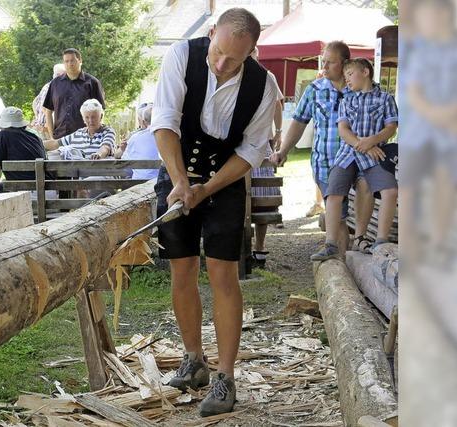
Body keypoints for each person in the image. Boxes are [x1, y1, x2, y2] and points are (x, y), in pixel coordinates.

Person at [151, 8, 278, 417]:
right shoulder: (181, 57)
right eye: (219, 52)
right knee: (182, 268)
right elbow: (165, 123)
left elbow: (250, 151)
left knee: (223, 274)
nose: (222, 65)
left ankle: (225, 376)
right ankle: (194, 360)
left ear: (252, 53)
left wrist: (207, 187)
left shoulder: (264, 85)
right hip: (175, 172)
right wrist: (180, 183)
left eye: (235, 60)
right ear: (211, 35)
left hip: (223, 182)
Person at [401, 0, 457, 264]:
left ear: (442, 15)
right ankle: (408, 251)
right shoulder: (419, 52)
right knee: (407, 184)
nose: (422, 22)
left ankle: (454, 248)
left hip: (455, 129)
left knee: (455, 180)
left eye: (426, 16)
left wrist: (450, 117)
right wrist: (441, 117)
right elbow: (414, 95)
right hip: (420, 130)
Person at [271, 41, 376, 255]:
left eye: (330, 62)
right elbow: (299, 122)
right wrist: (283, 151)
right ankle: (342, 269)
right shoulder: (314, 90)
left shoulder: (363, 88)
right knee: (338, 219)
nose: (324, 67)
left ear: (345, 63)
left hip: (361, 159)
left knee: (363, 196)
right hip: (326, 162)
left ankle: (358, 246)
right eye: (323, 61)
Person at [311, 58, 399, 261]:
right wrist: (364, 145)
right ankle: (331, 244)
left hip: (376, 153)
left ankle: (380, 241)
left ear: (366, 72)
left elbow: (391, 127)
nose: (347, 80)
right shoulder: (346, 100)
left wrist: (373, 141)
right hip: (348, 153)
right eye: (345, 76)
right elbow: (343, 130)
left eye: (350, 74)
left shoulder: (385, 99)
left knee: (390, 190)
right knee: (333, 192)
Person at [248, 47, 285, 267]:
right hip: (243, 143)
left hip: (262, 142)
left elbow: (277, 104)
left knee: (263, 197)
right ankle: (246, 247)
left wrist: (278, 132)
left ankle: (259, 247)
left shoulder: (266, 77)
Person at [0, 107, 48, 198]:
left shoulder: (3, 135)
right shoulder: (35, 138)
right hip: (47, 192)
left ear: (3, 125)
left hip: (25, 194)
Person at [43, 48, 106, 139]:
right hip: (60, 138)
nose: (69, 64)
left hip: (84, 139)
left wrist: (95, 135)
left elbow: (101, 112)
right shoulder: (55, 83)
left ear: (80, 60)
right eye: (66, 61)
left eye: (72, 60)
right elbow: (48, 111)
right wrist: (52, 136)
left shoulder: (92, 83)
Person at [44, 99, 116, 159]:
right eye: (87, 117)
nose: (90, 121)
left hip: (103, 173)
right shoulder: (79, 133)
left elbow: (106, 148)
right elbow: (55, 144)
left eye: (94, 117)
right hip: (81, 174)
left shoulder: (108, 131)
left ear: (101, 116)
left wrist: (98, 154)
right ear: (83, 118)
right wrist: (36, 142)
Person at [114, 103, 160, 180]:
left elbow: (124, 161)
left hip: (139, 182)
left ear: (144, 121)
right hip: (161, 182)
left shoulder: (135, 137)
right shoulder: (168, 137)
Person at [30, 63, 66, 139]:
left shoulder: (47, 86)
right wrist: (51, 135)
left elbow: (35, 101)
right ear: (59, 75)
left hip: (42, 128)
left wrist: (36, 116)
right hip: (46, 132)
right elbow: (46, 110)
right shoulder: (54, 89)